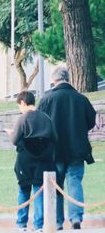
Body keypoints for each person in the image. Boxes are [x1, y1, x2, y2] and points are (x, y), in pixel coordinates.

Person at [38, 67, 96, 230]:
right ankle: (75, 217)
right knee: (75, 182)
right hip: (77, 149)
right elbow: (91, 122)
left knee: (56, 185)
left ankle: (57, 221)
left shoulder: (46, 99)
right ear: (68, 79)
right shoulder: (81, 99)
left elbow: (41, 123)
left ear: (53, 80)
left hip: (54, 151)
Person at [5, 91, 56, 232]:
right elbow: (54, 137)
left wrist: (10, 133)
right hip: (44, 160)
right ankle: (39, 225)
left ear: (23, 102)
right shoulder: (46, 118)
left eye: (19, 106)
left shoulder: (23, 119)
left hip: (25, 160)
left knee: (23, 189)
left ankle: (21, 224)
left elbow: (15, 140)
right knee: (39, 190)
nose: (20, 109)